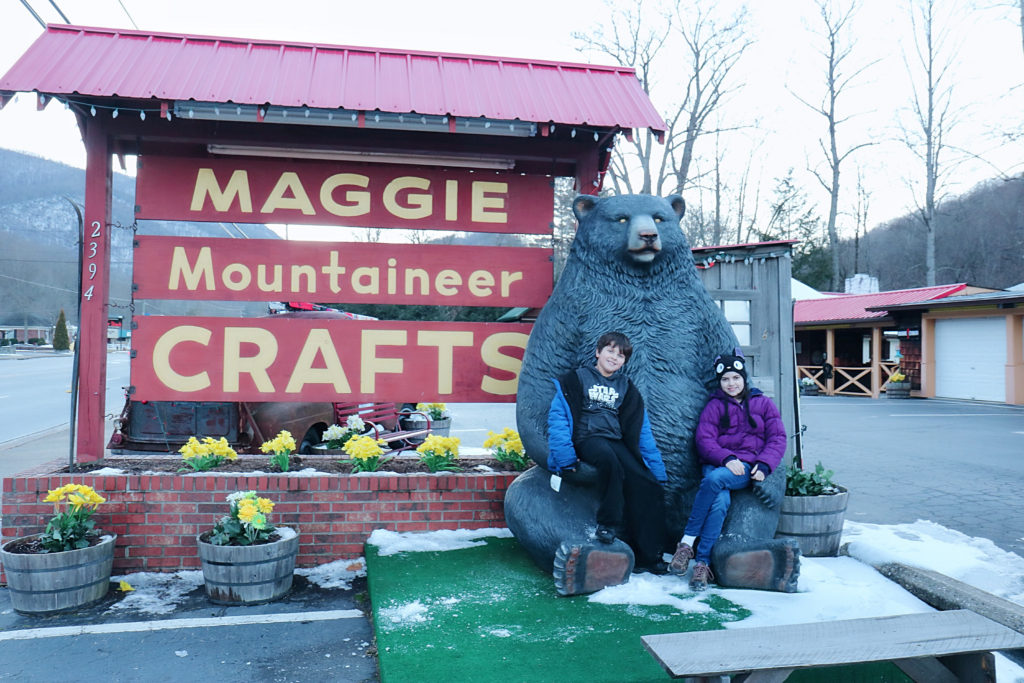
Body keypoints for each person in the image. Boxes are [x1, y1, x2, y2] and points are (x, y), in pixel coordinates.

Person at [547, 331, 670, 574]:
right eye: (610, 351)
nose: (614, 357)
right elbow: (558, 419)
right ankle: (607, 525)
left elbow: (641, 430)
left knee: (648, 483)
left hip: (616, 439)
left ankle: (649, 555)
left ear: (624, 361)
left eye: (620, 355)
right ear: (598, 352)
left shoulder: (626, 387)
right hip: (587, 438)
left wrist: (656, 471)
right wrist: (566, 457)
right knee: (609, 462)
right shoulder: (576, 379)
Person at [669, 351, 786, 590]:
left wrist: (764, 464)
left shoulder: (763, 404)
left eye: (735, 378)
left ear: (744, 378)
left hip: (746, 466)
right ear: (720, 382)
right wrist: (726, 457)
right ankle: (702, 564)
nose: (731, 384)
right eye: (725, 379)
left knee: (715, 479)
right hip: (719, 462)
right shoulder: (714, 406)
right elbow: (704, 439)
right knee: (719, 502)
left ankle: (686, 542)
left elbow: (777, 437)